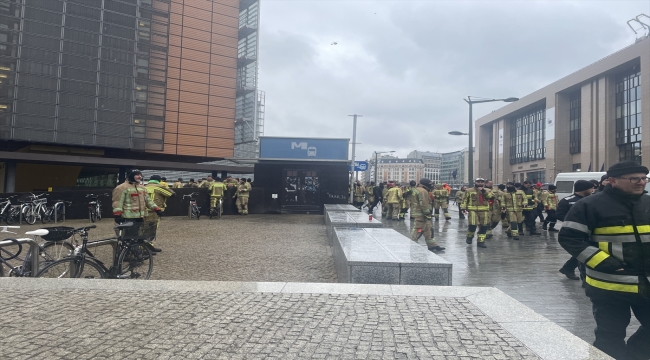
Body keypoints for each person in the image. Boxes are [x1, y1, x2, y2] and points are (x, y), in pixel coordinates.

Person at [559, 161, 650, 359]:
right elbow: (570, 238)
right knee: (610, 338)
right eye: (634, 178)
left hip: (646, 283)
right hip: (609, 286)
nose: (641, 182)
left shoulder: (648, 203)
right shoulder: (589, 205)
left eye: (644, 178)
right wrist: (604, 263)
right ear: (612, 181)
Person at [556, 180, 595, 280]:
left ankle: (568, 268)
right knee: (582, 251)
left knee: (585, 251)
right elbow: (559, 214)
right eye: (591, 188)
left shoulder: (592, 200)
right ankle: (583, 277)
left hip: (590, 231)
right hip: (575, 232)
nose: (593, 190)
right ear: (584, 189)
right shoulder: (567, 200)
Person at [112, 169, 162, 241]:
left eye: (140, 175)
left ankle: (135, 248)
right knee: (129, 235)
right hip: (128, 217)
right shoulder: (121, 188)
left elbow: (148, 200)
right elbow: (117, 202)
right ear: (131, 176)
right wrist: (117, 214)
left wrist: (157, 209)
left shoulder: (142, 188)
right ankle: (127, 250)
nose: (140, 177)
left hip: (140, 216)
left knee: (138, 234)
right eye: (137, 175)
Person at [410, 178, 445, 252]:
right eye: (430, 184)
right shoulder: (423, 191)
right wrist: (427, 212)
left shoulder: (418, 189)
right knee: (418, 229)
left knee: (428, 229)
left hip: (419, 212)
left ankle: (432, 245)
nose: (432, 185)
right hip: (421, 213)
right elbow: (424, 203)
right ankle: (413, 243)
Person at [144, 175, 175, 252]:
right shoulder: (159, 187)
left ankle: (142, 247)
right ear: (159, 180)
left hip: (142, 211)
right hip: (154, 211)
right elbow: (172, 194)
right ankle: (148, 248)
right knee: (151, 229)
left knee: (143, 229)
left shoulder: (144, 187)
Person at [461, 177, 493, 248]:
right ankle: (469, 236)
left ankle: (481, 241)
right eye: (478, 182)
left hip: (484, 210)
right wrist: (463, 208)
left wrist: (483, 191)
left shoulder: (488, 190)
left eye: (482, 182)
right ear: (475, 182)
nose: (480, 183)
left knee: (484, 226)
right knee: (473, 224)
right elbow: (464, 200)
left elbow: (491, 197)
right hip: (473, 210)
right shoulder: (469, 190)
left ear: (484, 183)